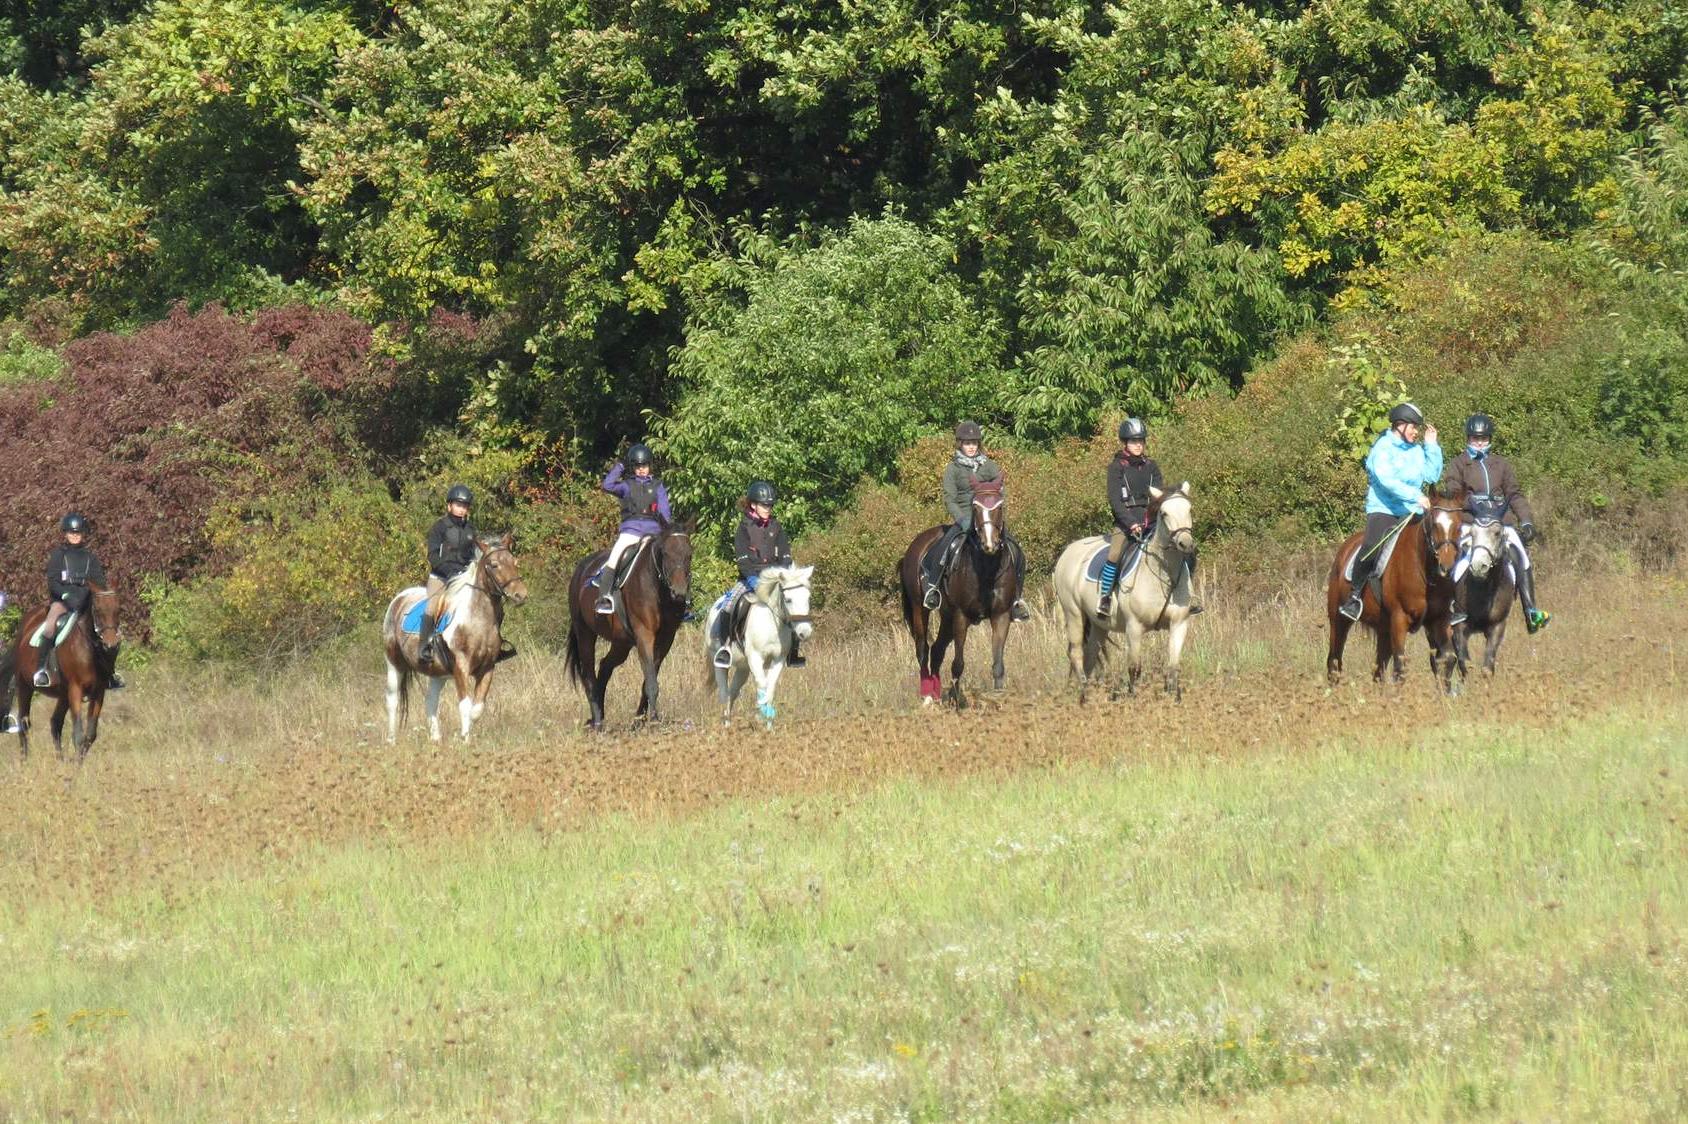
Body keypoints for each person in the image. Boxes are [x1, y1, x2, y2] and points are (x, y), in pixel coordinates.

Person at [1441, 413, 1551, 633]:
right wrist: (1474, 504)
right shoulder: (1459, 463)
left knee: (1520, 555)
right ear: (1468, 439)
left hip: (1500, 523)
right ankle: (1453, 607)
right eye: (1475, 438)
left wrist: (1526, 521)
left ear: (1489, 439)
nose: (1479, 443)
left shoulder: (1501, 464)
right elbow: (1453, 490)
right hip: (1472, 522)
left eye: (1483, 439)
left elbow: (1514, 494)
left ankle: (1531, 611)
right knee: (1457, 557)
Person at [1339, 403, 1444, 622]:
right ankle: (1355, 596)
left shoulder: (1416, 450)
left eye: (1417, 428)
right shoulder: (1382, 448)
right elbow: (1387, 481)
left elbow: (1432, 476)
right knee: (1371, 547)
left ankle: (1441, 596)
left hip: (1411, 511)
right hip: (1385, 509)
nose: (1416, 431)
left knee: (1438, 541)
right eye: (1413, 427)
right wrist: (1415, 496)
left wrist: (1431, 447)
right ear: (1400, 425)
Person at [921, 420, 1031, 621]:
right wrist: (961, 519)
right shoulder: (953, 469)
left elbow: (1000, 489)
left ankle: (1017, 600)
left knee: (1016, 550)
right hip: (964, 516)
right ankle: (933, 589)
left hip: (987, 519)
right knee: (946, 547)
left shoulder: (988, 465)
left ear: (978, 444)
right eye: (966, 443)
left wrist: (995, 508)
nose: (971, 446)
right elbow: (949, 498)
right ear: (960, 444)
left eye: (974, 443)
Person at [711, 480, 805, 670]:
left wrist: (784, 574)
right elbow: (742, 560)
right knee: (728, 605)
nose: (768, 508)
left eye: (770, 505)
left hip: (775, 578)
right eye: (764, 505)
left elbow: (786, 555)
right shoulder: (744, 528)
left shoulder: (776, 527)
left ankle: (793, 652)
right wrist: (754, 580)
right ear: (753, 504)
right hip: (750, 578)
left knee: (794, 604)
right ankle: (725, 648)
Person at [32, 513, 123, 690]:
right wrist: (66, 595)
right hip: (63, 602)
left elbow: (99, 583)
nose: (75, 536)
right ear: (65, 534)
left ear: (83, 534)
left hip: (86, 602)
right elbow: (53, 582)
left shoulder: (91, 558)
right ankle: (42, 670)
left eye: (78, 533)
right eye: (71, 533)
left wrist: (100, 597)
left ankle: (110, 674)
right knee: (50, 627)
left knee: (110, 632)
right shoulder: (59, 555)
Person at [594, 442, 671, 615]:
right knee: (614, 558)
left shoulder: (658, 486)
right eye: (637, 466)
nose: (641, 469)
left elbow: (665, 512)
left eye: (644, 465)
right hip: (631, 532)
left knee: (673, 558)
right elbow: (607, 485)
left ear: (649, 466)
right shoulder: (626, 485)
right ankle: (605, 598)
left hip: (653, 533)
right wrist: (621, 465)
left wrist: (665, 532)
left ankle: (682, 601)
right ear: (633, 467)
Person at [1099, 417, 1165, 617]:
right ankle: (1105, 597)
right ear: (1125, 443)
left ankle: (1186, 595)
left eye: (1141, 441)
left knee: (1180, 546)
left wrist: (1151, 519)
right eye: (1134, 441)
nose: (1138, 445)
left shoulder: (1152, 466)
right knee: (1114, 555)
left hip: (1151, 519)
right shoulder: (1116, 467)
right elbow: (1115, 500)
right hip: (1126, 521)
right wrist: (1131, 523)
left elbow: (1159, 495)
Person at [419, 484, 478, 666]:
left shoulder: (470, 530)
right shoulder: (439, 527)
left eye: (465, 506)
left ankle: (489, 645)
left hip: (463, 578)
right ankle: (424, 646)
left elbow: (475, 554)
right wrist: (446, 570)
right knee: (431, 608)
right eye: (458, 505)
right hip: (441, 578)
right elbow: (432, 554)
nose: (462, 509)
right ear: (449, 506)